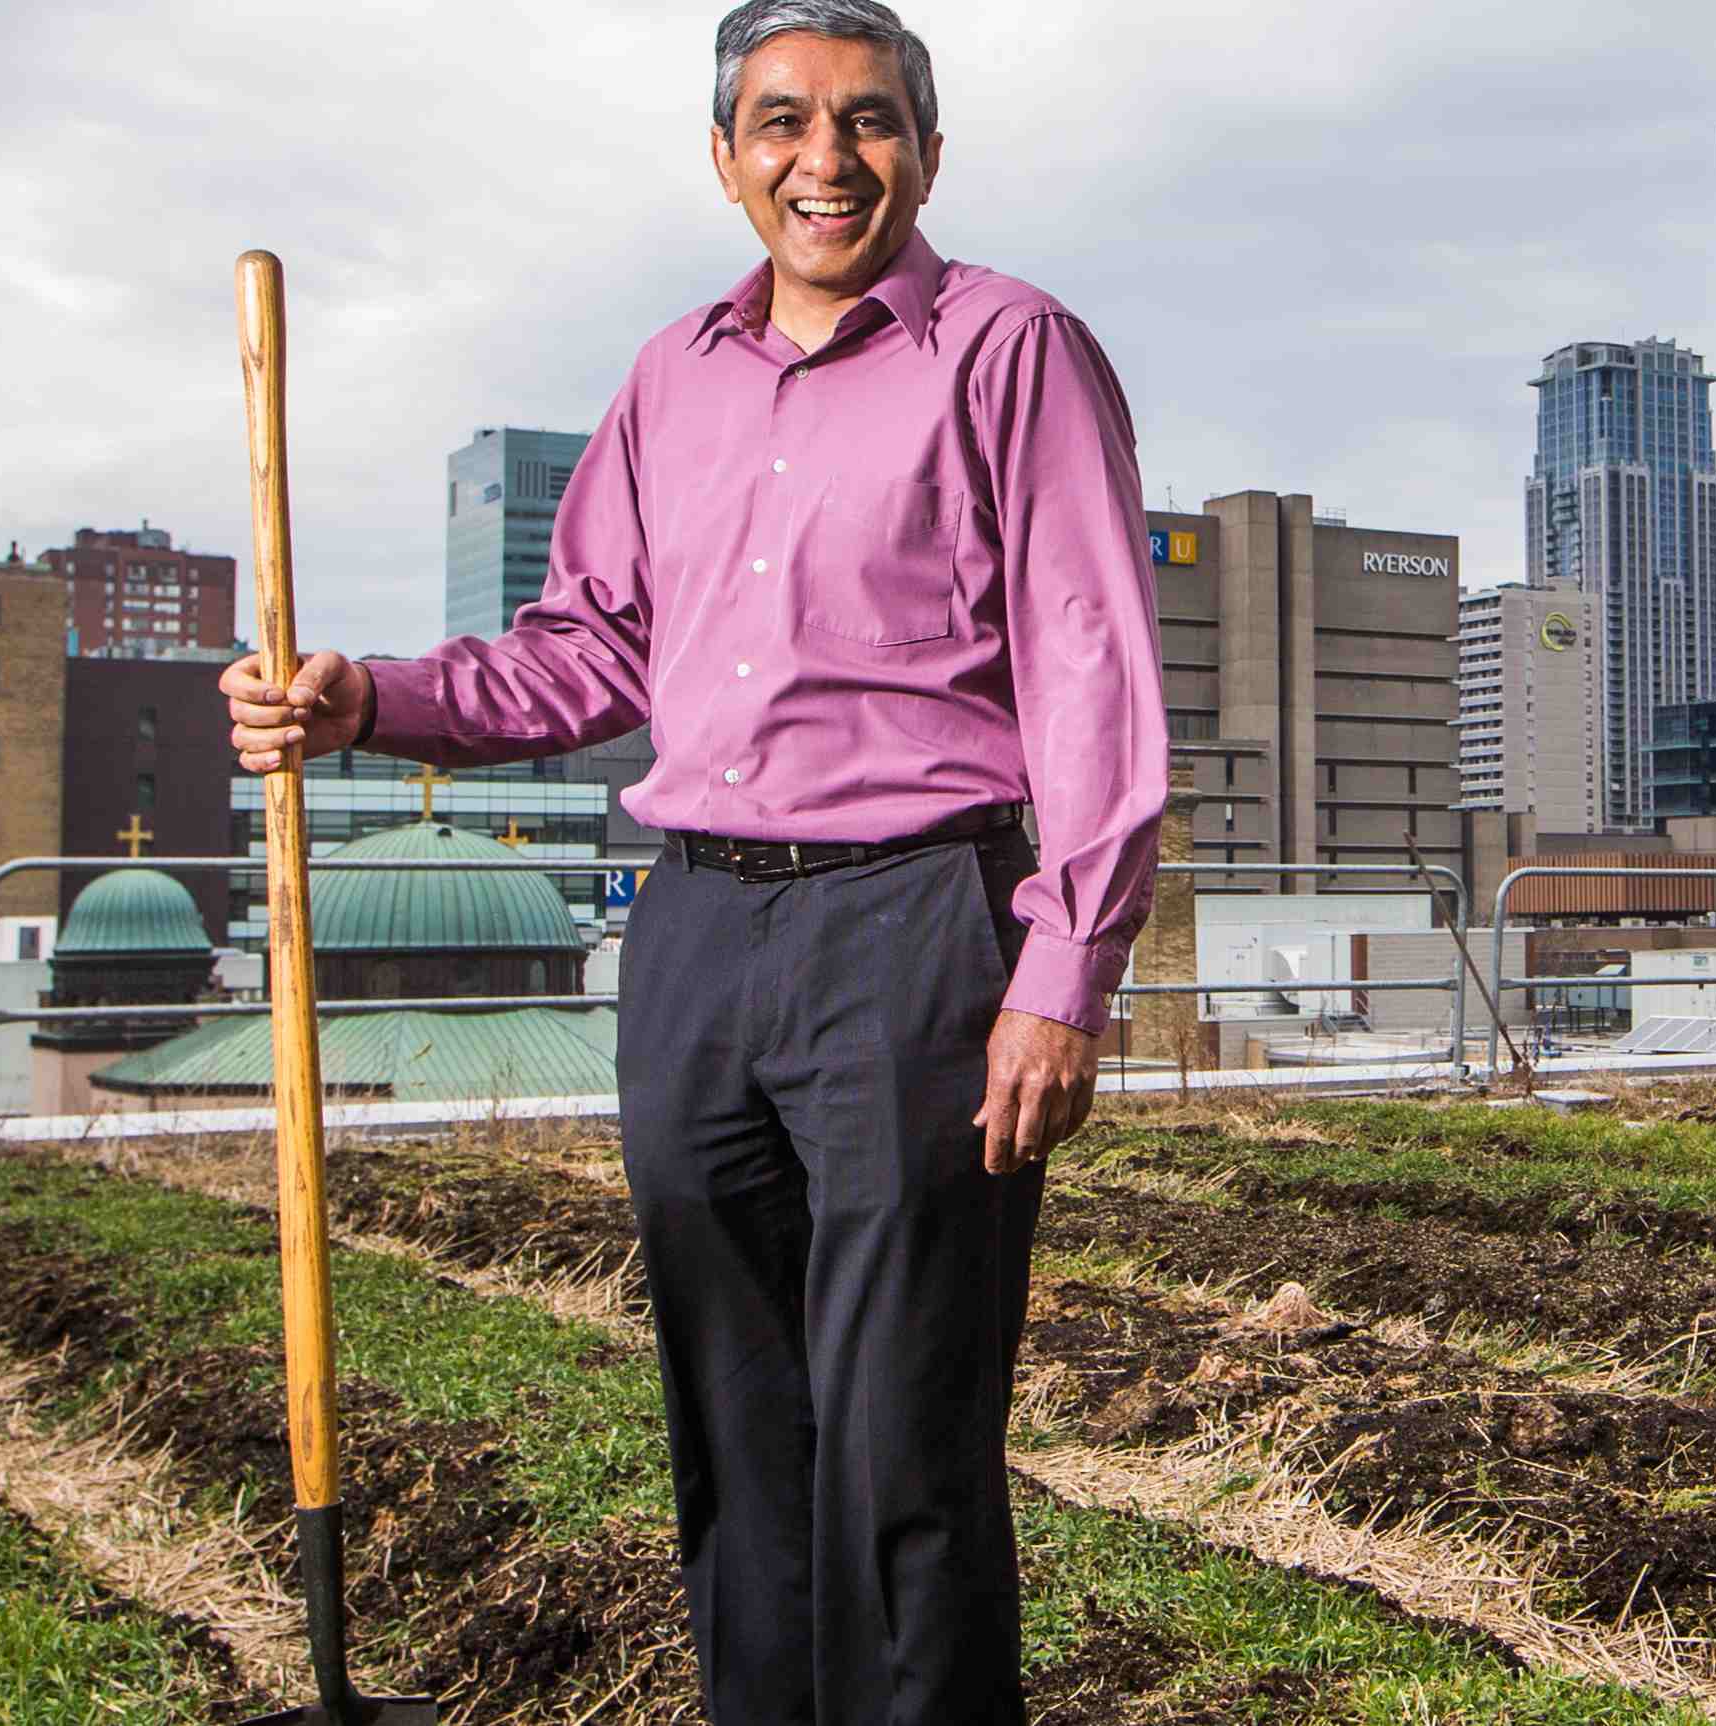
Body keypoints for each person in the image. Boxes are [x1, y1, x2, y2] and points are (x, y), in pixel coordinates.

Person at [220, 3, 1159, 1717]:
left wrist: (1064, 968)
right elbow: (586, 652)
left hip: (916, 925)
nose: (827, 157)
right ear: (726, 160)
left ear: (928, 155)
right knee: (736, 1429)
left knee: (903, 1440)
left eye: (870, 121)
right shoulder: (671, 378)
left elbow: (1093, 664)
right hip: (698, 930)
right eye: (784, 121)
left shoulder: (1010, 348)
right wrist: (369, 700)